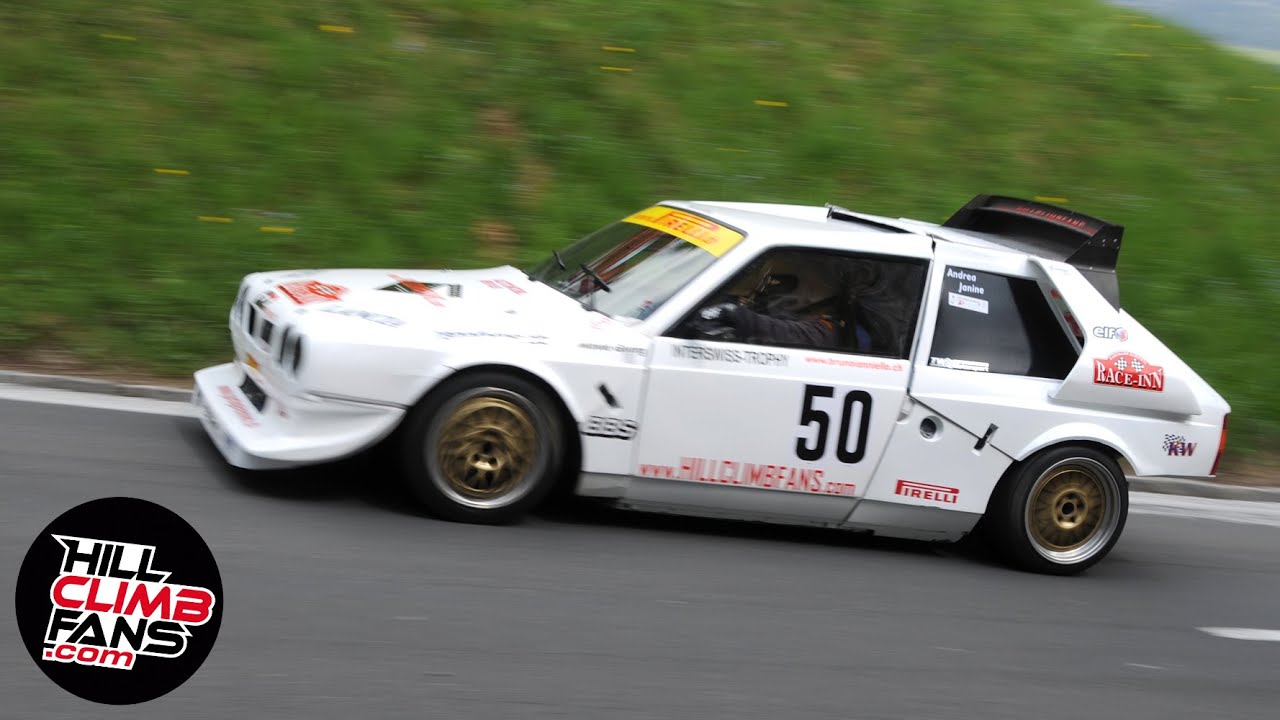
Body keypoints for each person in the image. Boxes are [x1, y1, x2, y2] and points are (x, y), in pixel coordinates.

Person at [689, 257, 874, 351]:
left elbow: (785, 332)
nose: (768, 288)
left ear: (811, 291)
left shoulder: (827, 332)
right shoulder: (797, 317)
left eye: (777, 283)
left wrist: (733, 313)